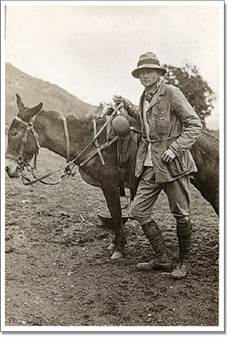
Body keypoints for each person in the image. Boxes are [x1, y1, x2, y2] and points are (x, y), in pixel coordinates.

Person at [113, 52, 202, 279]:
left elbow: (194, 124)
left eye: (149, 71)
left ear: (159, 73)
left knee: (181, 214)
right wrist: (126, 104)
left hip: (173, 163)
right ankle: (162, 258)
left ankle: (184, 262)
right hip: (151, 164)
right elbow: (146, 122)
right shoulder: (145, 96)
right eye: (141, 72)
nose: (145, 75)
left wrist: (175, 149)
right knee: (138, 210)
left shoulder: (171, 92)